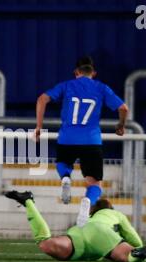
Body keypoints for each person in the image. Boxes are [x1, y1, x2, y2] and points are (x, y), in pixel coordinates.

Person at [34, 56, 129, 205]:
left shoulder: (66, 85)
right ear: (94, 73)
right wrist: (121, 125)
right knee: (94, 183)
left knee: (63, 163)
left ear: (76, 72)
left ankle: (65, 177)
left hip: (67, 138)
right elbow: (123, 108)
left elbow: (42, 99)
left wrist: (39, 126)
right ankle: (88, 202)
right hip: (91, 141)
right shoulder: (101, 88)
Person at [5, 190, 146, 262]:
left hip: (78, 236)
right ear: (111, 208)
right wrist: (136, 247)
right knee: (126, 256)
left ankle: (28, 201)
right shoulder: (115, 214)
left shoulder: (90, 217)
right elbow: (134, 238)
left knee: (45, 243)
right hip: (101, 235)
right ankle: (136, 257)